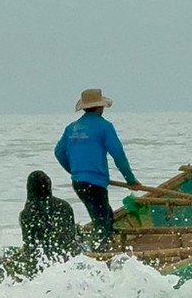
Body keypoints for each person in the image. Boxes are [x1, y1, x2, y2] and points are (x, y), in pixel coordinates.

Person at [54, 88, 136, 251]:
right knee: (103, 221)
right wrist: (130, 180)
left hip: (78, 182)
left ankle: (103, 247)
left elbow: (59, 152)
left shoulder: (72, 127)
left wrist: (74, 171)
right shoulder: (104, 126)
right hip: (96, 183)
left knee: (103, 215)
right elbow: (118, 155)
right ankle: (102, 255)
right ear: (100, 107)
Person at [18, 169, 82, 266]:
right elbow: (70, 235)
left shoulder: (27, 214)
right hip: (69, 255)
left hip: (43, 260)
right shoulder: (64, 205)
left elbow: (30, 246)